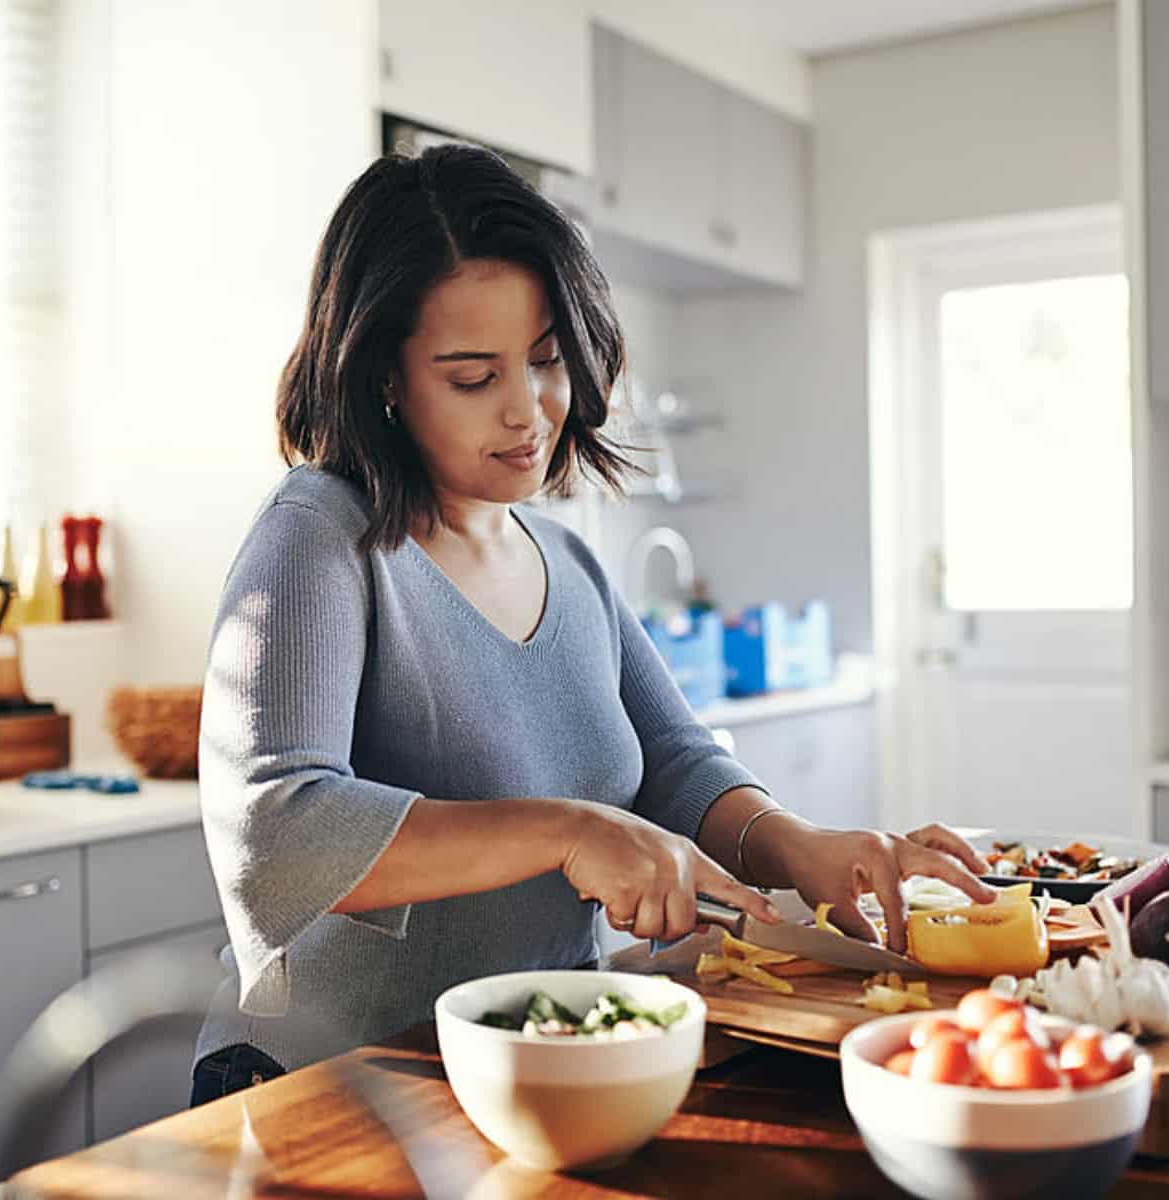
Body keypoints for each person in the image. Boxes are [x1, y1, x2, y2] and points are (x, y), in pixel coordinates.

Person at [191, 143, 993, 1106]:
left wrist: (801, 849)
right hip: (333, 1082)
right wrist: (567, 831)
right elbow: (274, 827)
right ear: (384, 378)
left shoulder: (563, 559)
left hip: (527, 1072)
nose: (530, 412)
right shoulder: (319, 531)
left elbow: (676, 766)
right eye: (472, 376)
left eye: (545, 360)